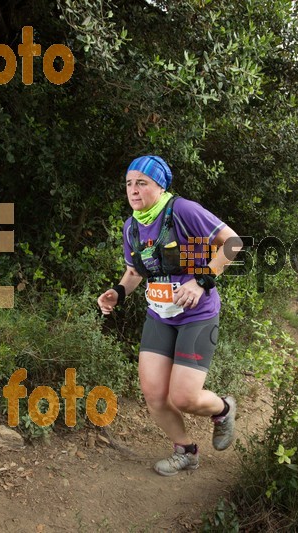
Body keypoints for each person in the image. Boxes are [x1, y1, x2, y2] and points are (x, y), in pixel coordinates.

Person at [97, 155, 241, 476]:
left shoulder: (181, 211)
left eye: (141, 183)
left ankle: (224, 409)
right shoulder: (131, 226)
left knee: (184, 396)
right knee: (154, 394)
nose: (133, 190)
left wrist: (202, 279)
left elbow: (232, 242)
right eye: (129, 184)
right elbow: (135, 270)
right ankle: (186, 450)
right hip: (160, 316)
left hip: (197, 315)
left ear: (159, 185)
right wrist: (118, 292)